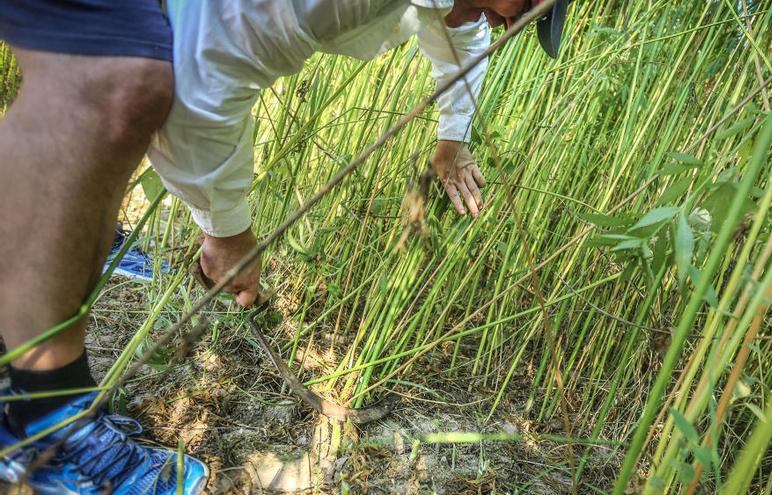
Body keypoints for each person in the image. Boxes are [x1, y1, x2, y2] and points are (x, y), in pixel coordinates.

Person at [0, 0, 567, 493]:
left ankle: (35, 394)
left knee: (120, 85)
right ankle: (49, 428)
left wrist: (452, 139)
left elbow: (465, 31)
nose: (503, 21)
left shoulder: (467, 8)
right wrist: (227, 234)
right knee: (119, 84)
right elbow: (204, 89)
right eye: (518, 4)